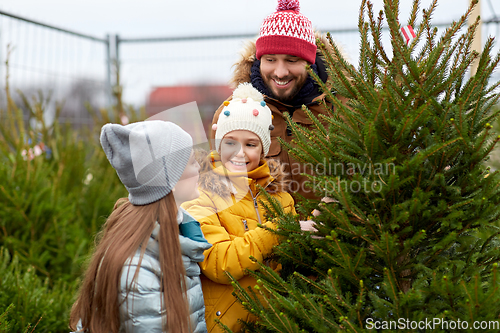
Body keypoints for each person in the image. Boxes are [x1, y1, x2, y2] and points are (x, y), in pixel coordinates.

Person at [69, 120, 212, 333]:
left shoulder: (178, 232)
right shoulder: (137, 272)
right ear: (170, 182)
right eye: (191, 162)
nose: (199, 167)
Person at [182, 83, 296, 332]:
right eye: (230, 143)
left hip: (275, 323)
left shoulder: (282, 198)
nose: (240, 153)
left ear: (264, 148)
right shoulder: (201, 193)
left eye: (251, 144)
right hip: (224, 325)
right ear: (218, 144)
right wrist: (277, 230)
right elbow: (218, 263)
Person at [210, 0, 350, 200]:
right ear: (259, 60)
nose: (280, 72)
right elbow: (221, 194)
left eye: (292, 60)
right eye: (270, 59)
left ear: (309, 62)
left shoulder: (345, 107)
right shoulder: (232, 113)